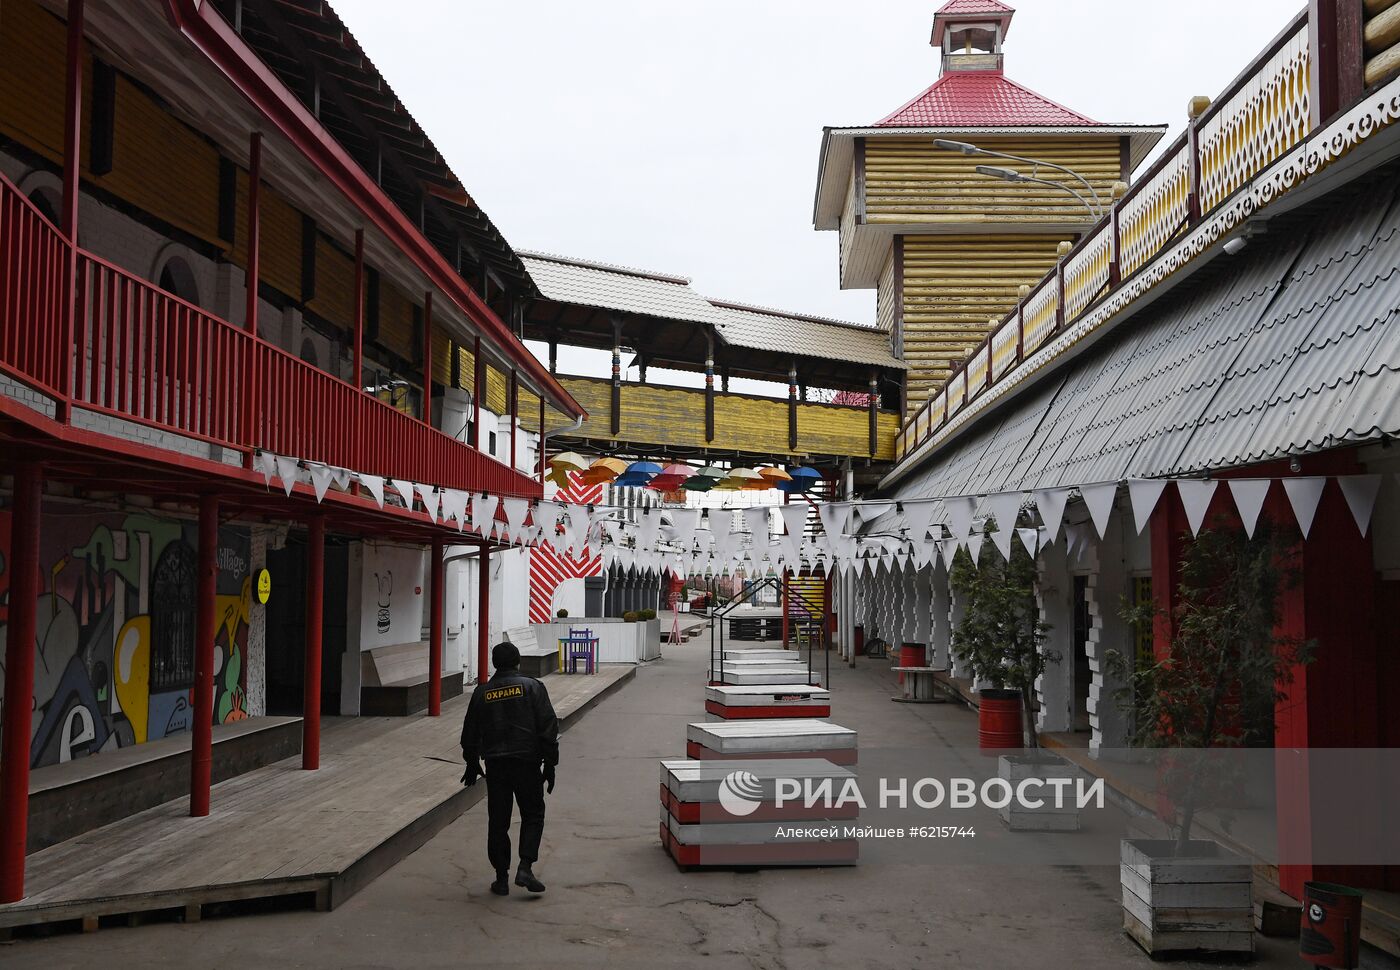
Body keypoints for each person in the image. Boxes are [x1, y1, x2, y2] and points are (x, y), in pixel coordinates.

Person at [460, 641, 559, 896]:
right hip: (527, 763)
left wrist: (472, 762)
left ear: (494, 664)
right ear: (518, 662)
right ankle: (525, 867)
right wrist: (550, 763)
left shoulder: (481, 693)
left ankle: (501, 877)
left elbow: (470, 733)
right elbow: (548, 727)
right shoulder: (533, 687)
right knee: (533, 814)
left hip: (496, 766)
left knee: (498, 820)